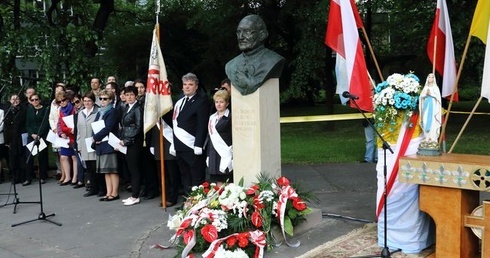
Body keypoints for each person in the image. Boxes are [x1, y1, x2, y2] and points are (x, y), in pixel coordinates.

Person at [225, 14, 285, 95]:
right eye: (239, 32)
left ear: (262, 35)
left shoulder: (273, 60)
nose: (241, 37)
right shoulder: (230, 65)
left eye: (247, 32)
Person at [172, 73, 209, 194]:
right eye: (185, 84)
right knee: (185, 176)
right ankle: (188, 202)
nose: (187, 87)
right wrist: (174, 143)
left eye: (190, 84)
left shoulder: (202, 101)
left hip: (193, 146)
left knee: (196, 177)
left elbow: (202, 125)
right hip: (180, 146)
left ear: (196, 86)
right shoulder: (180, 101)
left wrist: (199, 144)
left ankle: (198, 204)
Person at [118, 86, 144, 206]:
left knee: (134, 170)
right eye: (127, 95)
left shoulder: (137, 109)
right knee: (131, 169)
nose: (129, 97)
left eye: (131, 95)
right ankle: (134, 194)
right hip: (127, 141)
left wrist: (127, 140)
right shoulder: (127, 108)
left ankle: (135, 196)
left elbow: (138, 127)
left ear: (136, 96)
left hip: (134, 142)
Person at [92, 89, 120, 201]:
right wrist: (94, 138)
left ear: (111, 100)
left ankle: (114, 192)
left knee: (112, 169)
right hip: (100, 143)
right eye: (101, 99)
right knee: (105, 171)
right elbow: (94, 125)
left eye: (105, 99)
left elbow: (108, 127)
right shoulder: (100, 112)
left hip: (108, 143)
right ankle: (108, 192)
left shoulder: (112, 111)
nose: (102, 101)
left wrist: (97, 137)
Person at [77, 93, 103, 197]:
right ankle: (93, 188)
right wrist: (79, 145)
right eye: (85, 101)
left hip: (93, 142)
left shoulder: (98, 112)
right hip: (84, 143)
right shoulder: (80, 113)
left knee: (96, 166)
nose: (87, 103)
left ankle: (101, 188)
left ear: (93, 101)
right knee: (88, 167)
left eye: (89, 101)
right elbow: (78, 130)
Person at [207, 90, 233, 185]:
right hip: (214, 153)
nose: (218, 104)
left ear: (227, 103)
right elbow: (210, 138)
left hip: (226, 153)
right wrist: (208, 155)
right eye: (216, 102)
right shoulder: (212, 118)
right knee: (218, 180)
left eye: (221, 102)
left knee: (228, 180)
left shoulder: (231, 117)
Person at [25, 93, 50, 185]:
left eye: (36, 99)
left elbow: (45, 124)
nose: (34, 101)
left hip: (42, 135)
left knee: (42, 156)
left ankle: (43, 176)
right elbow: (27, 124)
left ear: (39, 100)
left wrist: (39, 134)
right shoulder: (29, 110)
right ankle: (28, 178)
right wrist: (32, 133)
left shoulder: (45, 109)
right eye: (32, 100)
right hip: (32, 136)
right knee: (29, 155)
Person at [4, 94, 26, 184]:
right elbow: (6, 127)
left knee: (22, 157)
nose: (15, 100)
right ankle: (15, 177)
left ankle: (23, 177)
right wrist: (7, 141)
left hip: (21, 137)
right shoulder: (8, 111)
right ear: (10, 101)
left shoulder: (23, 110)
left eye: (17, 99)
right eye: (13, 99)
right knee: (13, 159)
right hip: (12, 138)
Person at [56, 91, 78, 186]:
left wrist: (68, 130)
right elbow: (60, 123)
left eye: (63, 100)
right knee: (64, 156)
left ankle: (75, 177)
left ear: (67, 99)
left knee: (74, 157)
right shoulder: (60, 110)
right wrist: (61, 133)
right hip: (65, 135)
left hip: (73, 135)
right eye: (59, 101)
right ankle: (67, 176)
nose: (62, 103)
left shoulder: (73, 108)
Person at [419, 73, 442, 144]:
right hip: (426, 106)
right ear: (427, 78)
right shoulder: (425, 88)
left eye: (432, 77)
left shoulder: (436, 88)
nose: (430, 79)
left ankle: (432, 137)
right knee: (425, 120)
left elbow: (438, 97)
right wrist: (425, 94)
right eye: (429, 77)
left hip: (433, 107)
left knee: (432, 121)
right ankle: (426, 137)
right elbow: (421, 97)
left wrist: (431, 94)